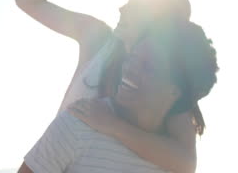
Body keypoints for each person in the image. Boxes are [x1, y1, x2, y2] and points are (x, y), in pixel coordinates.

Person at [15, 0, 207, 172]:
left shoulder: (159, 87)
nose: (121, 8)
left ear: (158, 20)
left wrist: (112, 125)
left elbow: (185, 163)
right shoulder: (96, 39)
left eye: (134, 4)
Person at [18, 19, 218, 173]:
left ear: (176, 91)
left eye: (147, 66)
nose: (130, 69)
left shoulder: (174, 159)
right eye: (133, 57)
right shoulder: (80, 123)